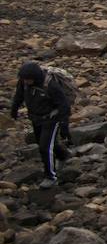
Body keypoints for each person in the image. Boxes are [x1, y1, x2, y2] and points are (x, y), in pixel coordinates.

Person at [11, 61, 72, 189]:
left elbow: (64, 106)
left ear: (36, 77)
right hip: (36, 118)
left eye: (28, 80)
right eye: (24, 79)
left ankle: (50, 176)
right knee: (45, 144)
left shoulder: (51, 86)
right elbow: (19, 95)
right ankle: (63, 155)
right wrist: (14, 109)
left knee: (44, 147)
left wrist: (64, 125)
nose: (26, 82)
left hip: (51, 119)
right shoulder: (24, 82)